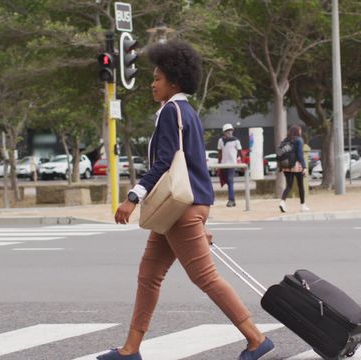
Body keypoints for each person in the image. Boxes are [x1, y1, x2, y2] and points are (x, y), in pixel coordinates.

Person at [109, 40, 274, 360]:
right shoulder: (187, 113)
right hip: (181, 208)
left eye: (157, 78)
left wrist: (133, 197)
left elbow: (164, 162)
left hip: (179, 208)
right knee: (148, 277)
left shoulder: (172, 111)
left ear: (175, 81)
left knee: (205, 277)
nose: (152, 84)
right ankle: (130, 349)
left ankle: (256, 338)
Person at [279, 125, 310, 213]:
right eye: (299, 131)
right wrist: (304, 167)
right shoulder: (299, 140)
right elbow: (300, 155)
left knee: (289, 185)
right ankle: (302, 205)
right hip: (296, 166)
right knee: (300, 185)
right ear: (297, 132)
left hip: (286, 165)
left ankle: (282, 202)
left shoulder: (285, 140)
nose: (300, 132)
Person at [217, 123, 242, 207]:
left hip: (232, 164)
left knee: (230, 181)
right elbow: (220, 153)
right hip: (223, 165)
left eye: (230, 130)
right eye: (227, 131)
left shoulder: (236, 141)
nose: (229, 132)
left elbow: (240, 152)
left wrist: (239, 161)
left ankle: (230, 200)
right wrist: (218, 164)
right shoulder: (221, 141)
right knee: (227, 181)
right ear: (224, 132)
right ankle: (233, 200)